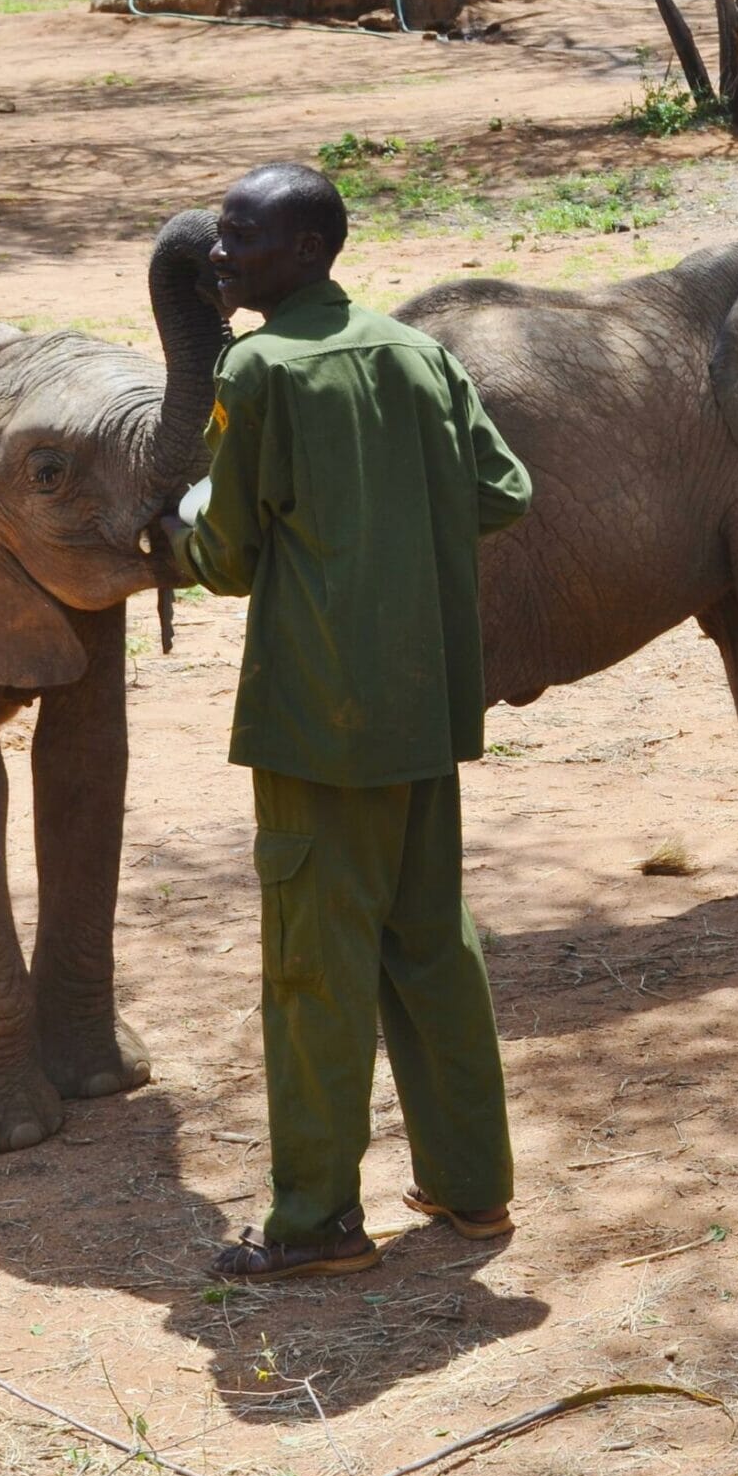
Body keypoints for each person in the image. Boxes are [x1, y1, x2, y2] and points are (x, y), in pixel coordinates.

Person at [159, 162, 535, 1281]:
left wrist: (179, 521)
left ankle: (318, 1218)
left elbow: (224, 556)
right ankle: (472, 1186)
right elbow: (503, 490)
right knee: (431, 944)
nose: (222, 255)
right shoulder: (418, 354)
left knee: (316, 966)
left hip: (318, 723)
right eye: (220, 236)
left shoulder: (261, 369)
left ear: (311, 250)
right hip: (421, 706)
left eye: (246, 240)